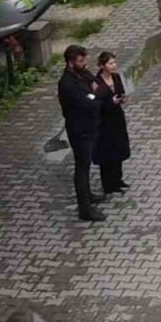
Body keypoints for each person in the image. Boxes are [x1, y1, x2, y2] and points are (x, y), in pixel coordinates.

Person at [57, 45, 105, 222]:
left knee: (86, 164)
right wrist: (94, 95)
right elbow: (90, 102)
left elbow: (97, 85)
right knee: (82, 167)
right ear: (70, 63)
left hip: (89, 125)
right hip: (79, 130)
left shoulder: (81, 73)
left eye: (85, 60)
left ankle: (88, 195)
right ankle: (85, 209)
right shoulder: (68, 84)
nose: (85, 64)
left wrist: (94, 92)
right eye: (80, 61)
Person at [93, 52, 131, 195]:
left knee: (118, 149)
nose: (114, 66)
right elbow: (96, 102)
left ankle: (118, 179)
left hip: (117, 118)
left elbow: (120, 91)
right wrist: (110, 102)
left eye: (114, 62)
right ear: (102, 66)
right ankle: (108, 184)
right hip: (104, 122)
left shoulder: (116, 77)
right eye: (110, 63)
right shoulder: (96, 82)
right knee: (106, 152)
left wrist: (122, 99)